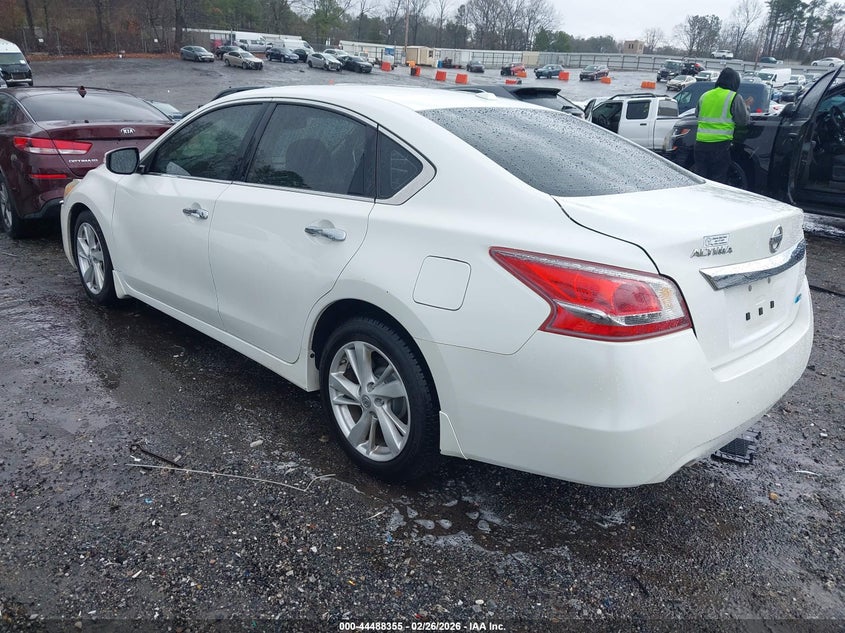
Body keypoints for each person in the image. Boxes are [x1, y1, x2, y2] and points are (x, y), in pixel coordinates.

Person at [694, 67, 750, 184]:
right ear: (735, 82)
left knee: (699, 180)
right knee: (717, 181)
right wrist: (746, 107)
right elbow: (743, 121)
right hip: (720, 147)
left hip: (700, 145)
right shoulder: (734, 97)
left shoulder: (705, 95)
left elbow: (697, 114)